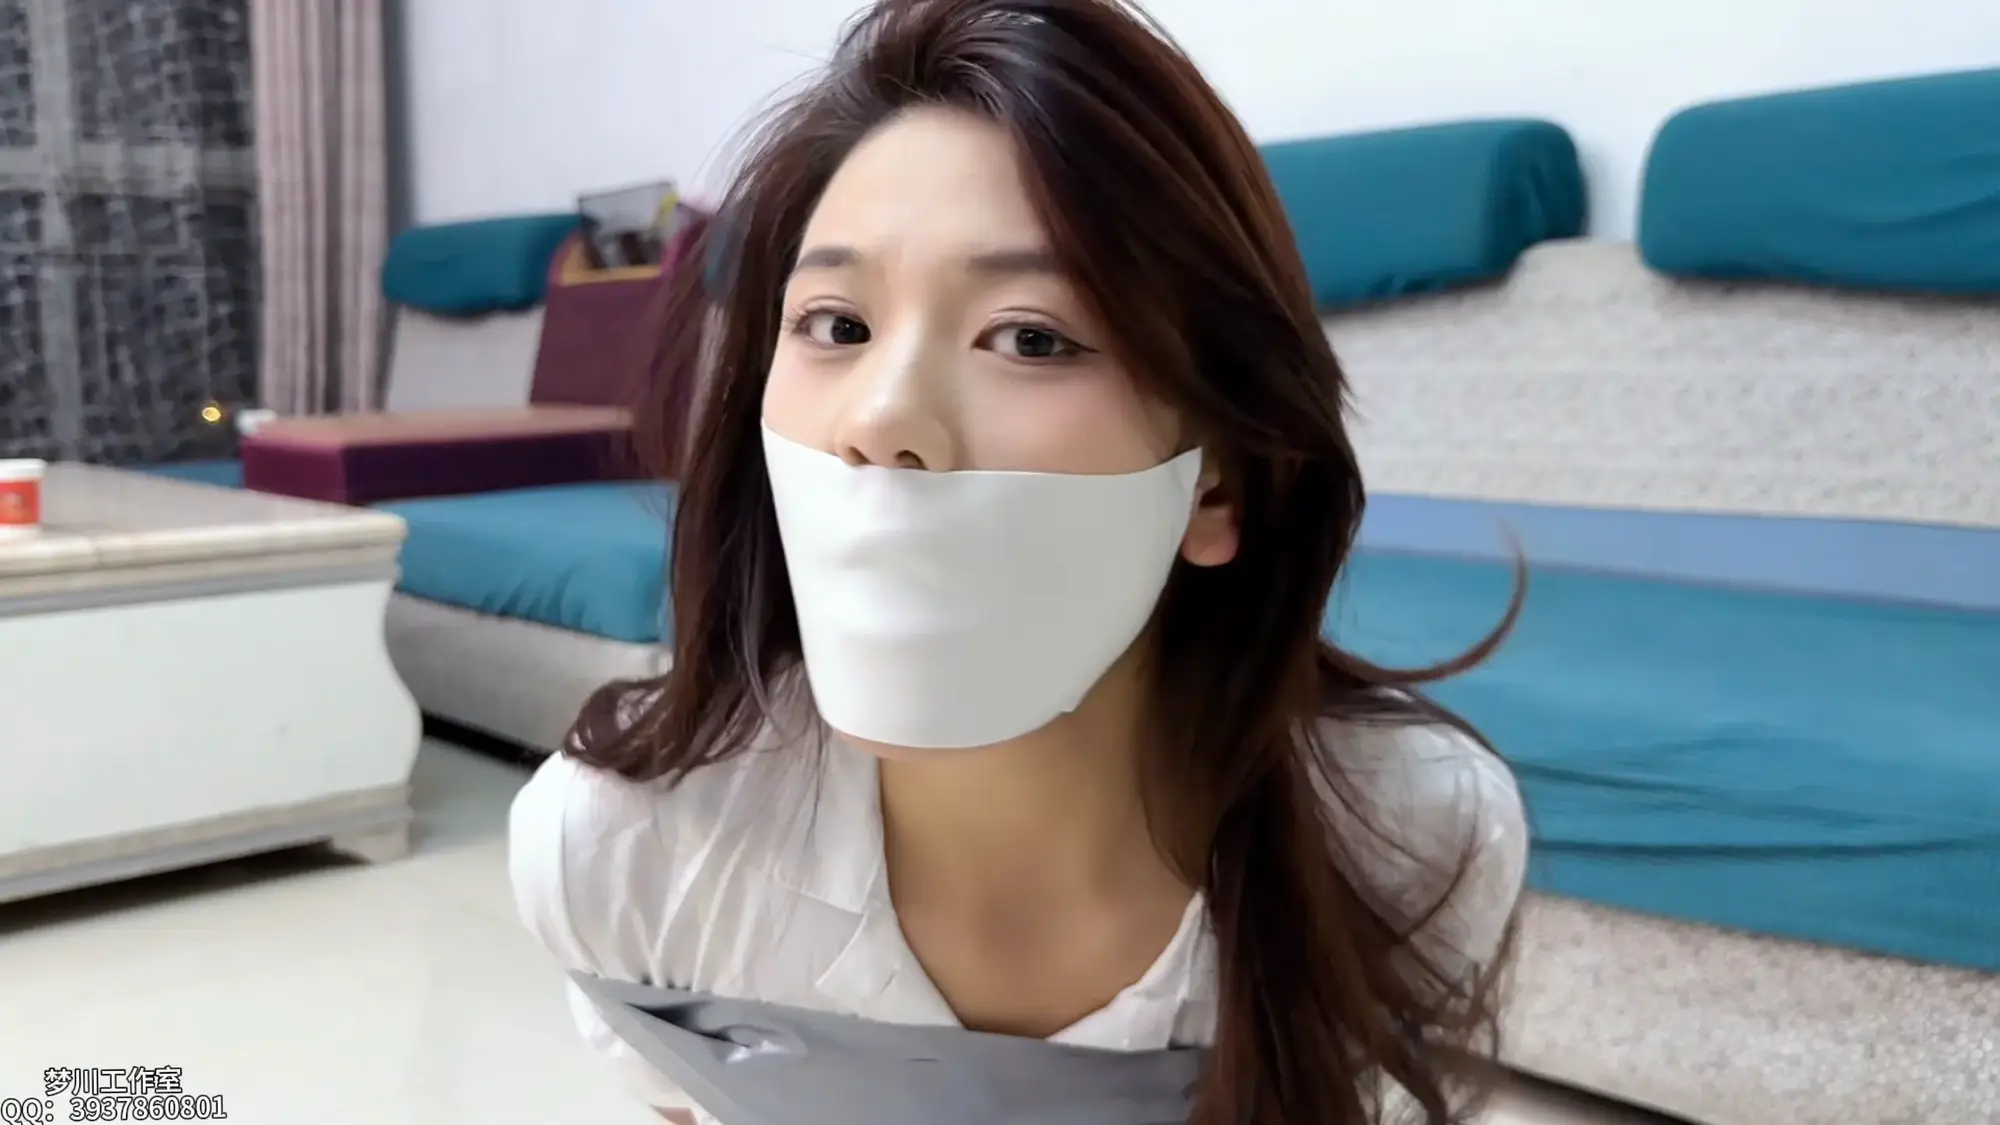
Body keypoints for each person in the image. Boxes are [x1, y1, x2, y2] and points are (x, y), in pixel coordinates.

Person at [508, 0, 1529, 1122]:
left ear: (1215, 486)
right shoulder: (624, 847)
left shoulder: (1409, 842)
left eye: (1030, 337)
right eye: (837, 326)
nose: (880, 419)